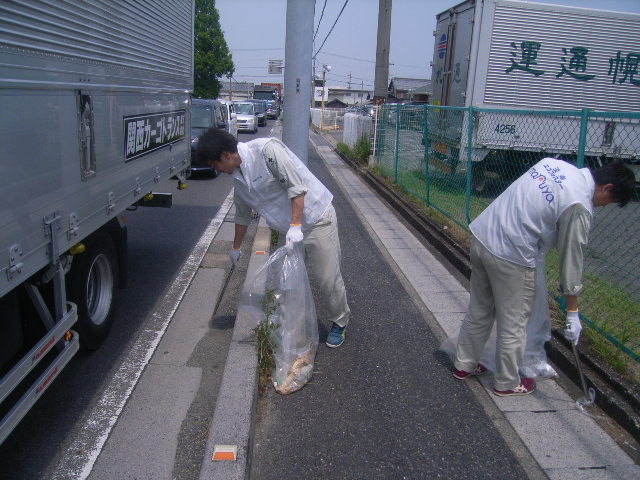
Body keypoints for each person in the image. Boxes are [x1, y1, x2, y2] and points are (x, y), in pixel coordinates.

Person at [452, 158, 635, 397]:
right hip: (512, 256)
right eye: (608, 202)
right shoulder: (578, 203)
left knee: (480, 310)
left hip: (483, 236)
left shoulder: (554, 165)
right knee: (514, 323)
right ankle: (506, 383)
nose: (601, 207)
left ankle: (464, 365)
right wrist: (572, 312)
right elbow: (571, 260)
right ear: (607, 187)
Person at [196, 128, 351, 347]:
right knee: (288, 281)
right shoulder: (239, 181)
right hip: (288, 231)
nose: (218, 170)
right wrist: (236, 247)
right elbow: (242, 216)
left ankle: (340, 321)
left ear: (225, 156)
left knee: (328, 279)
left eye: (215, 165)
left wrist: (296, 226)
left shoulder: (267, 151)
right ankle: (292, 327)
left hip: (316, 220)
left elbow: (297, 189)